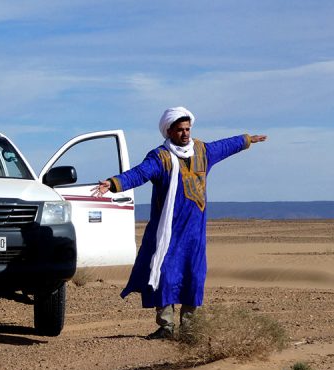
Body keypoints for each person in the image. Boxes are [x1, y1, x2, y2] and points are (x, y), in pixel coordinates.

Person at [91, 107, 267, 340]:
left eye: (188, 129)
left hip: (194, 233)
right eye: (180, 130)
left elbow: (225, 146)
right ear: (169, 131)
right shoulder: (160, 157)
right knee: (165, 274)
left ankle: (190, 327)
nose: (185, 134)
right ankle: (166, 326)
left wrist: (246, 140)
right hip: (168, 232)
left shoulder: (202, 151)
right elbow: (139, 174)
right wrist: (114, 183)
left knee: (193, 275)